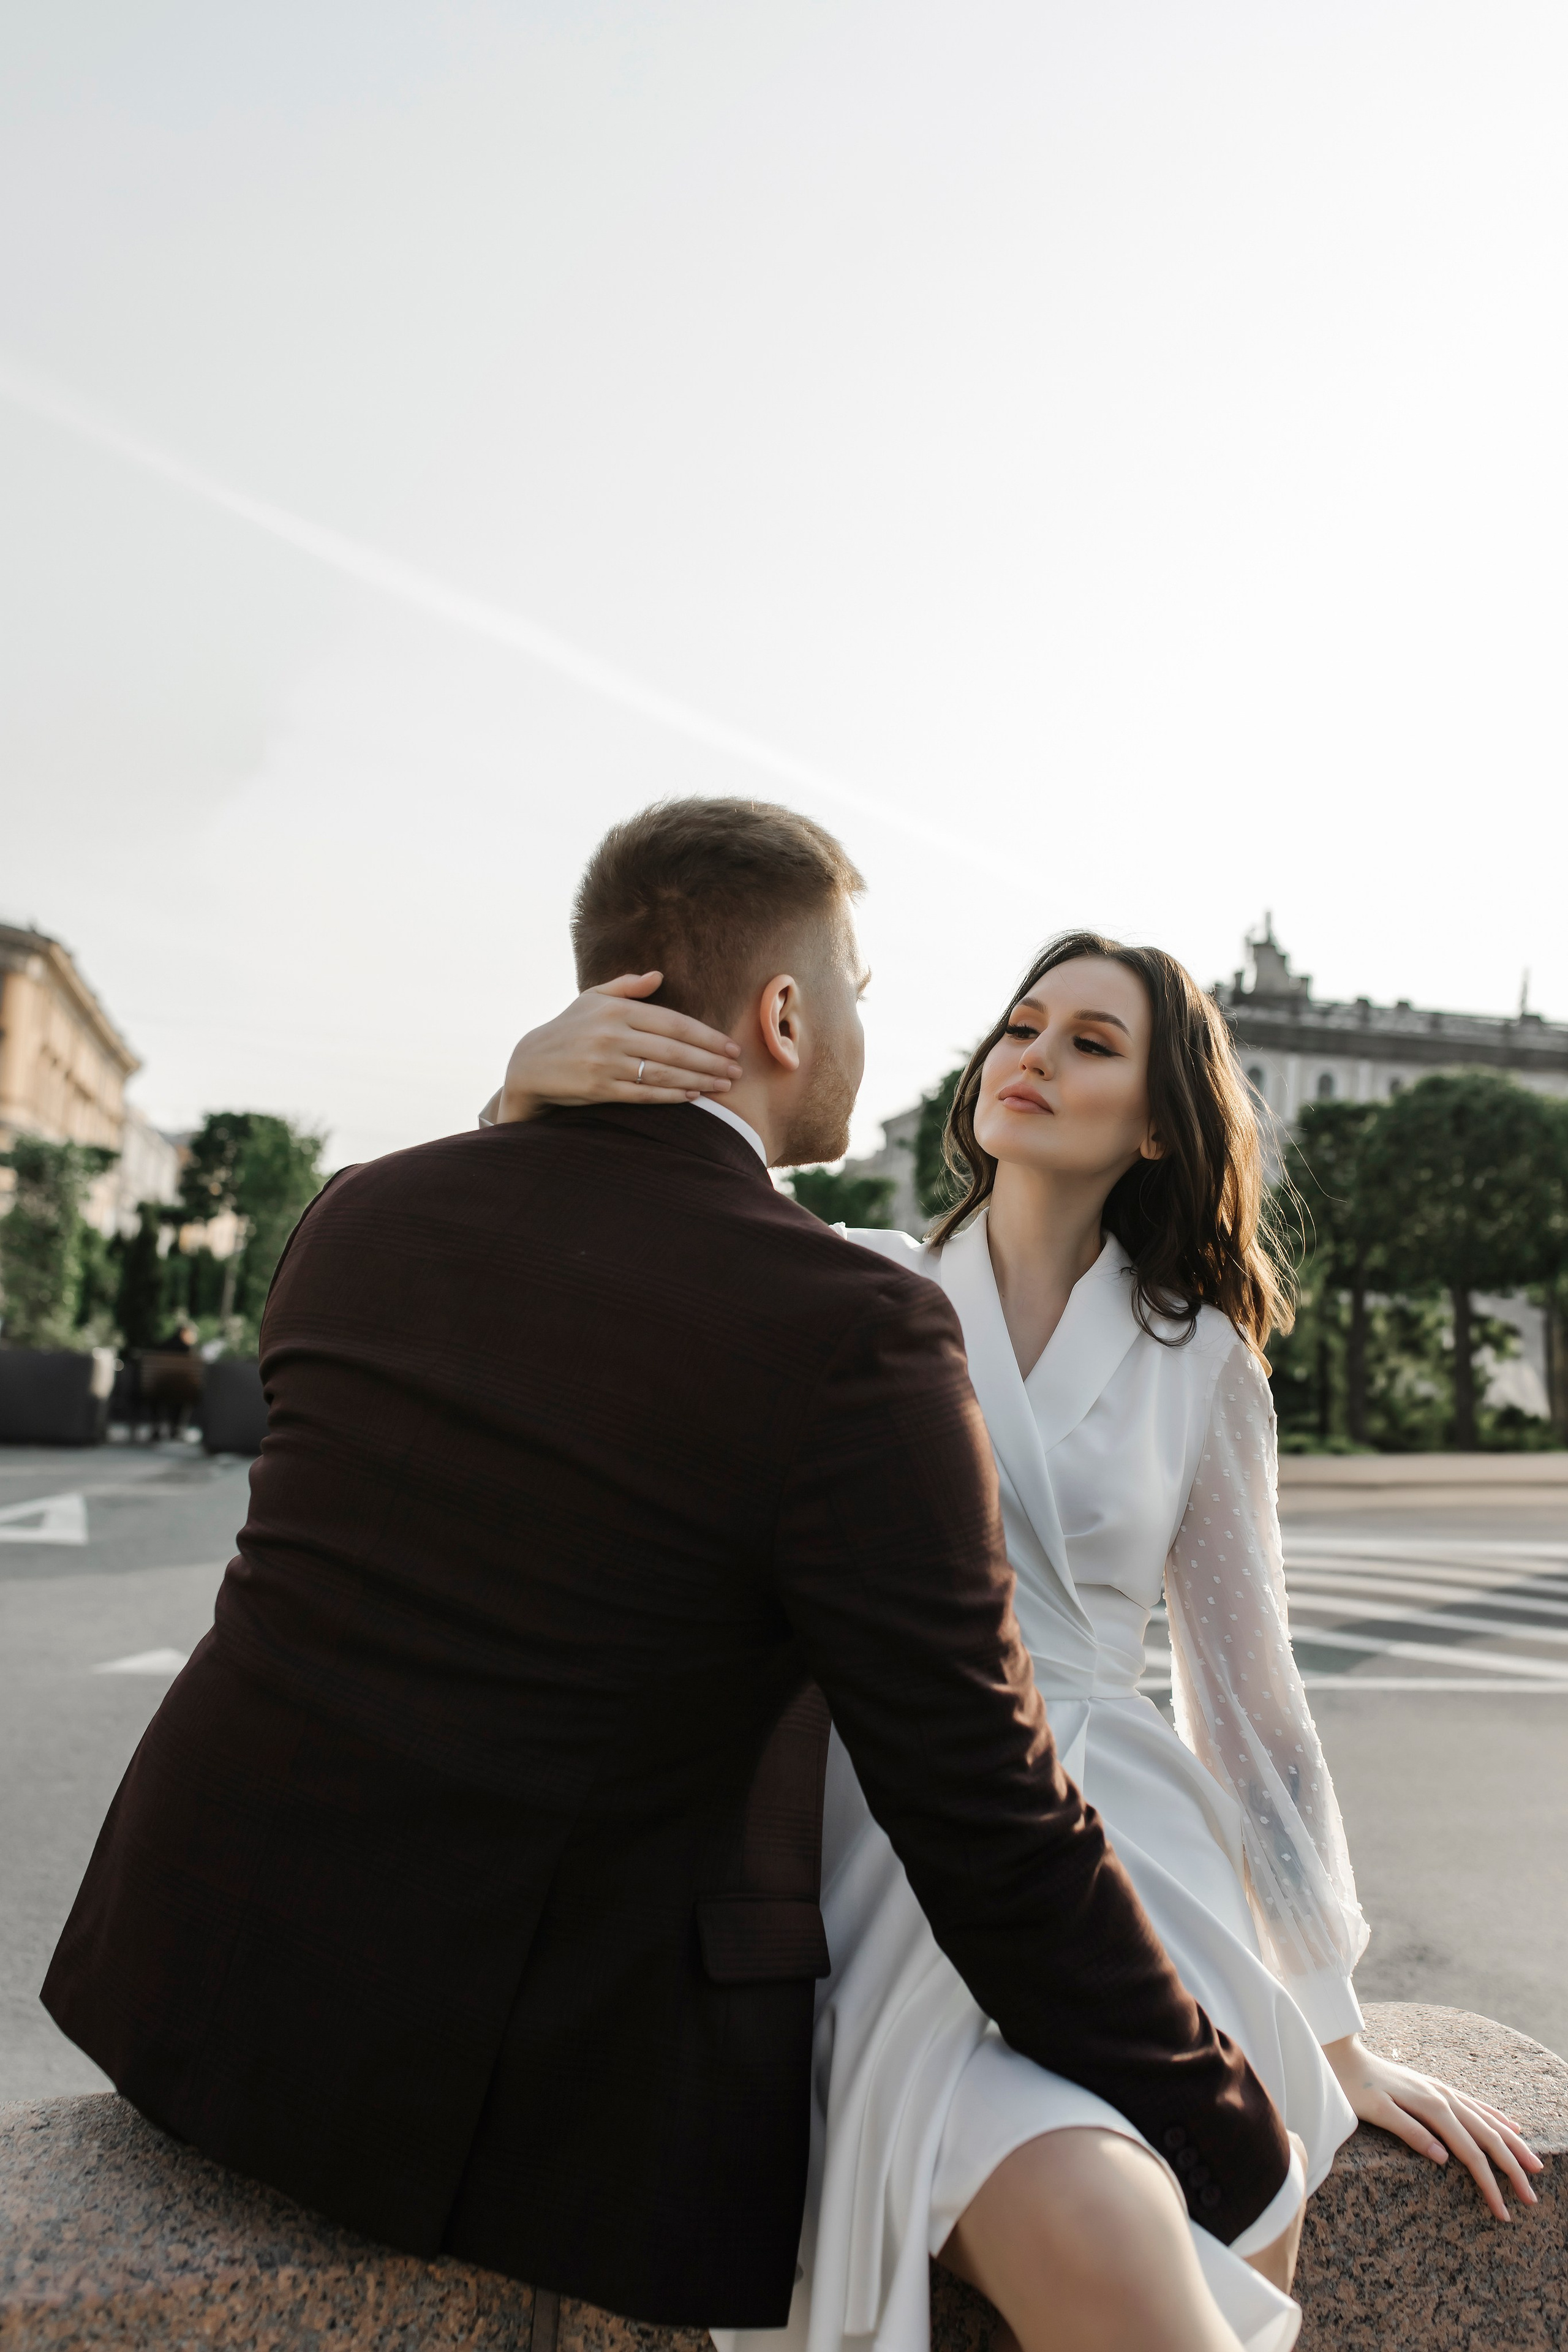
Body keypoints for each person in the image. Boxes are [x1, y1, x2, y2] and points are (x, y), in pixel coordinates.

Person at [44, 801, 1298, 2352]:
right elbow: (987, 1815)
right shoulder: (855, 1320)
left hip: (174, 1982)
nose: (879, 1028)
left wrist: (509, 1106)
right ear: (782, 1015)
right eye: (852, 985)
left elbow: (563, 1316)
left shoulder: (360, 1212)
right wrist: (1238, 2147)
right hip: (480, 2081)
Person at [486, 918, 1545, 2352]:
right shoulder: (848, 1277)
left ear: (1161, 1130)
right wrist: (518, 1103)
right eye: (1020, 1026)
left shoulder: (1202, 1361)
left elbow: (1249, 1707)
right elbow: (565, 1301)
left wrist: (1335, 2025)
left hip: (1138, 1853)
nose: (1030, 1057)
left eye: (1089, 1043)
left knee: (1213, 2164)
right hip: (902, 1820)